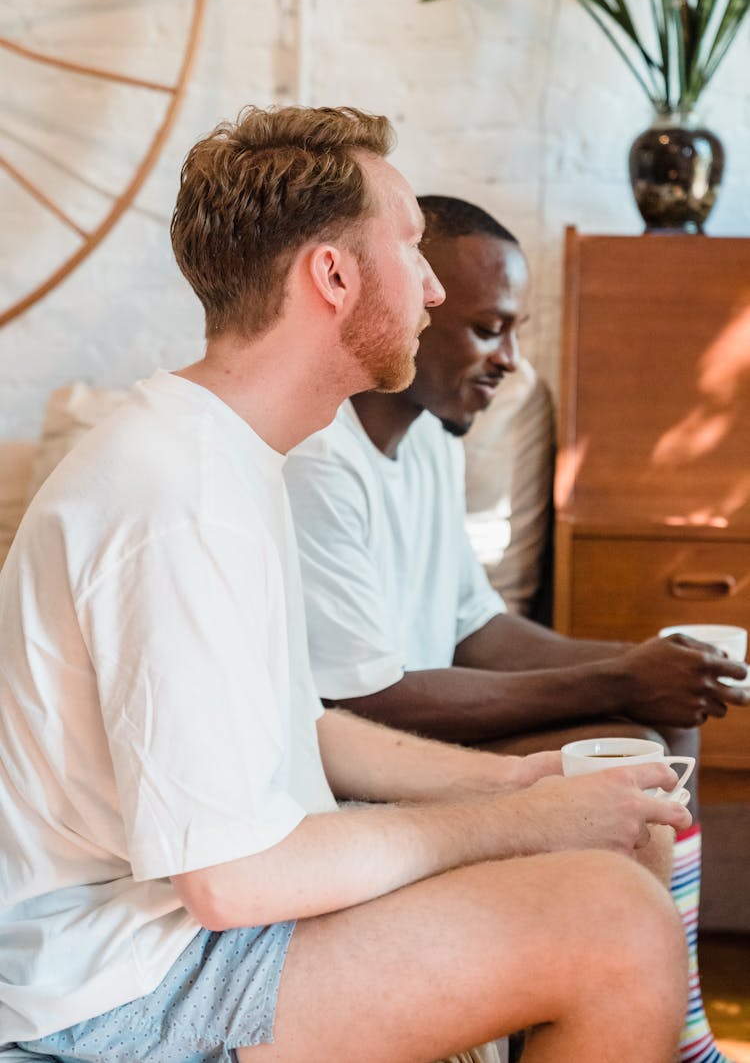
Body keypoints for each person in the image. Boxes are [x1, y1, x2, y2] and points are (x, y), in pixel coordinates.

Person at [0, 109, 692, 1063]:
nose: (435, 284)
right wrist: (518, 820)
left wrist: (519, 779)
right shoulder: (180, 495)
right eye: (411, 245)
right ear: (332, 276)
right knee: (614, 924)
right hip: (119, 984)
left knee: (624, 846)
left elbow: (305, 727)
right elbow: (230, 881)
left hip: (185, 939)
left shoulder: (232, 457)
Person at [283, 194, 750, 1063]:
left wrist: (650, 662)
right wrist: (617, 681)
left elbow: (477, 630)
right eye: (489, 329)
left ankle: (677, 1023)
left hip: (416, 736)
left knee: (642, 747)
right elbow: (372, 696)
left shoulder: (429, 439)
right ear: (412, 307)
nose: (512, 361)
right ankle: (675, 1026)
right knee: (629, 770)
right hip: (357, 767)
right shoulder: (318, 460)